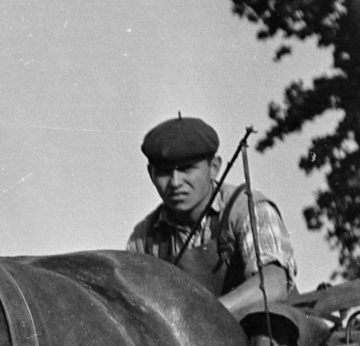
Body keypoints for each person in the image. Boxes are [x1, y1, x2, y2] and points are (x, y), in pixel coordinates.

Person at [127, 116, 297, 331]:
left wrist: (205, 314)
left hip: (268, 340)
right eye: (164, 172)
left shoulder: (246, 208)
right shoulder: (144, 238)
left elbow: (273, 284)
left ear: (214, 167)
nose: (176, 182)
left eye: (187, 168)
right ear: (151, 174)